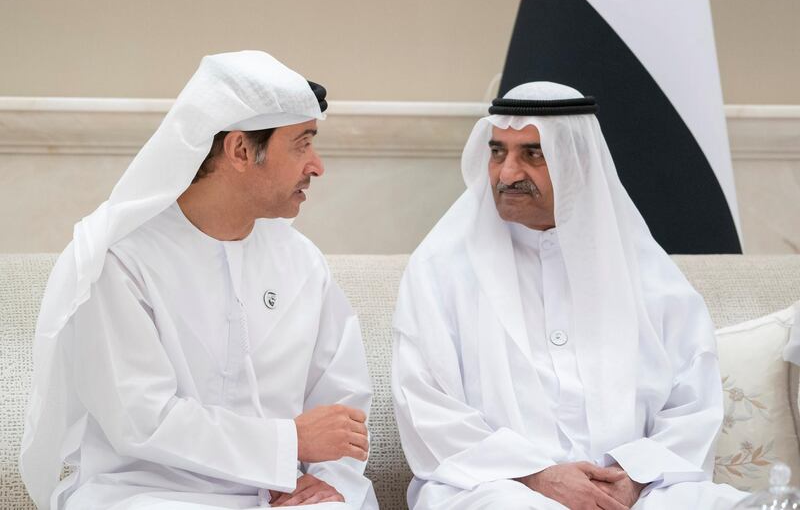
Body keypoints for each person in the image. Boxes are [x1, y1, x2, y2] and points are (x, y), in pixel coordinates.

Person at [20, 51, 378, 510]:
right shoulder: (122, 259)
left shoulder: (302, 262)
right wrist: (287, 441)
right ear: (241, 150)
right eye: (302, 144)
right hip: (148, 493)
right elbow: (143, 419)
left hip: (278, 493)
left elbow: (342, 404)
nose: (317, 166)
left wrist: (328, 479)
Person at [391, 81, 747, 509]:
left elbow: (693, 401)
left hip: (640, 487)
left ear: (576, 160)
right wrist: (539, 476)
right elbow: (426, 407)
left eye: (532, 154)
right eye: (498, 151)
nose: (507, 174)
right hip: (494, 486)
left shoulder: (647, 272)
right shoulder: (441, 268)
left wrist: (632, 475)